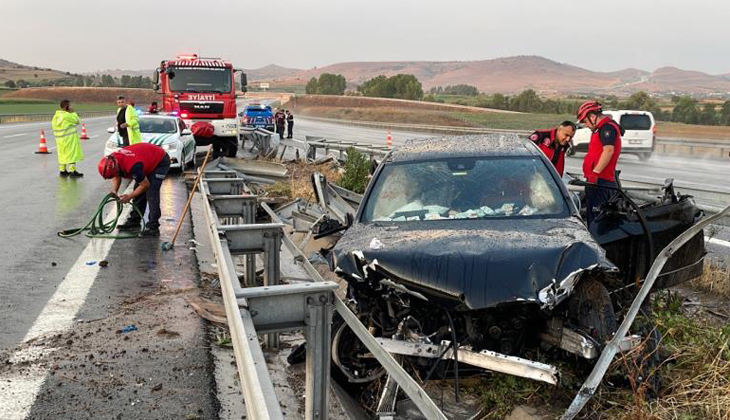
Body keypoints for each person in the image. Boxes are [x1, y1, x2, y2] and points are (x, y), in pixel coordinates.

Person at [97, 143, 171, 237]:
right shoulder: (112, 159)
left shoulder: (132, 166)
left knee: (151, 192)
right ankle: (134, 221)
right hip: (145, 159)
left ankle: (153, 227)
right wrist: (114, 190)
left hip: (160, 160)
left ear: (115, 166)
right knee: (138, 190)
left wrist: (129, 197)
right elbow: (116, 175)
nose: (114, 176)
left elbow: (145, 185)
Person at [576, 100, 623, 227]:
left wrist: (595, 173)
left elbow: (608, 151)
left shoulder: (607, 128)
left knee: (597, 220)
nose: (585, 125)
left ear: (592, 116)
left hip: (600, 181)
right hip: (596, 181)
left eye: (585, 121)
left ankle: (598, 244)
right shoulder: (600, 129)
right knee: (594, 217)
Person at [51, 99, 84, 177]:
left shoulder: (56, 116)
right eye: (70, 105)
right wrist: (73, 112)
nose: (72, 106)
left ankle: (62, 170)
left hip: (60, 139)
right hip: (69, 138)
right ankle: (73, 171)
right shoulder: (67, 115)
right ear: (67, 107)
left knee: (62, 154)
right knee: (71, 154)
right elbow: (77, 121)